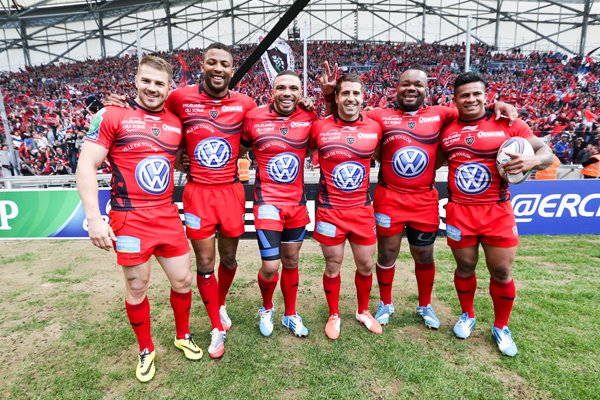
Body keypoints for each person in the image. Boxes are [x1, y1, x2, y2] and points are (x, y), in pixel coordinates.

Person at [319, 63, 517, 330]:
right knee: (387, 254)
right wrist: (330, 98)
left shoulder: (441, 114)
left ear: (427, 89)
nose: (411, 89)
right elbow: (341, 120)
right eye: (405, 84)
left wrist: (498, 105)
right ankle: (385, 304)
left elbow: (474, 109)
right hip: (389, 198)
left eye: (418, 85)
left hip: (424, 200)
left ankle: (425, 305)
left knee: (424, 255)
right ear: (396, 88)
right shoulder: (379, 116)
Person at [106, 43, 256, 359]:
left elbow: (254, 136)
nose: (217, 68)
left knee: (228, 259)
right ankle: (216, 323)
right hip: (198, 193)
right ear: (201, 66)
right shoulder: (179, 98)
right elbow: (156, 122)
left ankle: (221, 303)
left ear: (232, 69)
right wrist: (120, 104)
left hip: (230, 191)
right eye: (211, 62)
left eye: (224, 63)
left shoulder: (245, 103)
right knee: (203, 263)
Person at [76, 55, 202, 383]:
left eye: (159, 83)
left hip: (166, 214)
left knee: (183, 281)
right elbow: (85, 166)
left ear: (169, 87)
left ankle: (182, 335)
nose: (152, 88)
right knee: (137, 285)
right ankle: (146, 348)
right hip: (129, 217)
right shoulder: (112, 114)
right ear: (135, 80)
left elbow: (173, 161)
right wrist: (94, 217)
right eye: (146, 80)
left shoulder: (175, 122)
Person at [440, 71, 552, 357]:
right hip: (460, 211)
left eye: (477, 93)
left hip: (497, 210)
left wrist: (534, 160)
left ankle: (501, 326)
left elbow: (546, 153)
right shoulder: (448, 126)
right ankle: (468, 315)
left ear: (486, 96)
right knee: (465, 267)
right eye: (464, 95)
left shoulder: (508, 122)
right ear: (455, 100)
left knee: (501, 271)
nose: (471, 99)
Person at [240, 70, 318, 337]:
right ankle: (266, 307)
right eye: (281, 88)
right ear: (271, 91)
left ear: (300, 93)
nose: (287, 93)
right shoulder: (253, 118)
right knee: (272, 265)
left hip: (296, 203)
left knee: (292, 261)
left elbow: (325, 134)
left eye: (293, 88)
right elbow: (238, 149)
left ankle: (290, 314)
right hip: (267, 203)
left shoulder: (309, 117)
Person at [310, 73, 382, 340]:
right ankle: (334, 314)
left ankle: (363, 310)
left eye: (356, 93)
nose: (351, 98)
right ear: (337, 97)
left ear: (363, 98)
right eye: (345, 93)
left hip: (361, 210)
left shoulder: (375, 126)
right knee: (333, 264)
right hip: (330, 211)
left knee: (365, 265)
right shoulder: (319, 127)